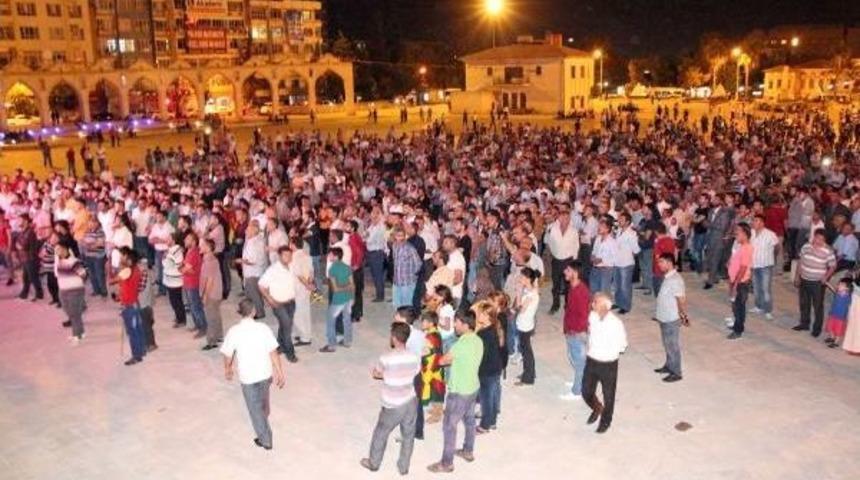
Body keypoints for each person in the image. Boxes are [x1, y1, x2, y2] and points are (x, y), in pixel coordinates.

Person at [220, 298, 285, 451]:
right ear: (254, 312)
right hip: (264, 374)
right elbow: (273, 352)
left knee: (255, 409)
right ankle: (263, 425)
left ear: (240, 313)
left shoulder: (234, 331)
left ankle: (266, 440)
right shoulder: (263, 328)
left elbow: (227, 354)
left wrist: (227, 368)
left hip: (248, 377)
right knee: (262, 404)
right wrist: (280, 372)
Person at [360, 322, 421, 475]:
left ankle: (374, 462)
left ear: (394, 338)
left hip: (393, 403)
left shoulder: (386, 358)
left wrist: (385, 375)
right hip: (411, 400)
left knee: (381, 432)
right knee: (408, 434)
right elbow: (415, 372)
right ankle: (403, 467)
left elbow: (376, 373)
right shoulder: (415, 356)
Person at [427, 310, 483, 474]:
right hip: (473, 387)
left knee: (449, 426)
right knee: (470, 420)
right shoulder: (477, 340)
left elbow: (444, 361)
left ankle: (446, 463)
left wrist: (434, 356)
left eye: (457, 323)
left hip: (459, 391)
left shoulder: (460, 344)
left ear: (465, 325)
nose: (454, 325)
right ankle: (468, 450)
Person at [582, 292, 628, 433]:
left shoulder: (616, 324)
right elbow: (590, 333)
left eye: (595, 302)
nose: (592, 304)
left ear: (604, 306)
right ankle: (597, 408)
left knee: (609, 395)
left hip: (608, 364)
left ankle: (606, 420)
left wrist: (608, 351)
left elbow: (623, 345)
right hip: (592, 360)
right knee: (586, 391)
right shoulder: (592, 316)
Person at [793, 229, 837, 338]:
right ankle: (804, 323)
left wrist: (826, 277)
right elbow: (800, 261)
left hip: (817, 282)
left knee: (817, 306)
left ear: (825, 240)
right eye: (817, 237)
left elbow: (833, 266)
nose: (818, 241)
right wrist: (797, 276)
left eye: (821, 239)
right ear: (814, 236)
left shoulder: (828, 250)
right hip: (804, 279)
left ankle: (816, 329)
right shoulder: (806, 246)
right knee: (804, 303)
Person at [259, 246, 299, 363]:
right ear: (280, 256)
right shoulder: (273, 269)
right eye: (285, 255)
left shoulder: (292, 266)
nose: (288, 257)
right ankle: (290, 352)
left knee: (285, 325)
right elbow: (261, 285)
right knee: (287, 328)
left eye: (290, 255)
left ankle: (279, 346)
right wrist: (269, 299)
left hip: (291, 302)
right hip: (278, 304)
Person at [654, 253, 689, 382]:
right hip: (664, 316)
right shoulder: (668, 277)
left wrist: (683, 315)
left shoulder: (675, 279)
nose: (659, 265)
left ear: (669, 263)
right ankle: (669, 365)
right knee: (667, 343)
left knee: (672, 345)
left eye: (661, 262)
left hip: (671, 318)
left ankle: (676, 372)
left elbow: (681, 299)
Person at [473, 300, 503, 433]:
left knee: (486, 398)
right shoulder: (494, 328)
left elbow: (480, 354)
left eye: (480, 313)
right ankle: (492, 421)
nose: (477, 315)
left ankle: (485, 425)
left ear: (486, 316)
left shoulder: (483, 334)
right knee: (494, 395)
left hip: (486, 370)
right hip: (496, 367)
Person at [561, 261, 589, 399]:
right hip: (571, 330)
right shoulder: (573, 287)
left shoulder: (581, 291)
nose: (564, 272)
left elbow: (584, 315)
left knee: (579, 362)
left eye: (568, 270)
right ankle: (579, 381)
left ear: (575, 273)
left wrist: (575, 331)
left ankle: (577, 391)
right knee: (574, 359)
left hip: (577, 332)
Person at [113, 247, 146, 366]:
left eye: (123, 256)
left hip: (129, 305)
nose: (121, 258)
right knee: (137, 329)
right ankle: (141, 351)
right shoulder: (135, 269)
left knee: (132, 332)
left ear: (129, 259)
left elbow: (112, 280)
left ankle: (136, 355)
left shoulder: (127, 271)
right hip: (133, 303)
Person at [545, 205, 579, 314]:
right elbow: (547, 241)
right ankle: (555, 305)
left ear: (569, 219)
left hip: (568, 261)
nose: (565, 220)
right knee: (555, 285)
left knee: (568, 286)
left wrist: (574, 264)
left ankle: (568, 305)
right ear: (558, 218)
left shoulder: (574, 231)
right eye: (562, 218)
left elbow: (576, 247)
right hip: (556, 260)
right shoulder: (552, 229)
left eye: (567, 218)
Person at [320, 247, 354, 352]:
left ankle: (331, 345)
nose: (328, 256)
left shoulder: (332, 269)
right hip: (348, 298)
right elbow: (352, 285)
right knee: (347, 319)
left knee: (330, 321)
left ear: (335, 256)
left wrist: (342, 287)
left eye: (330, 255)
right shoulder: (347, 267)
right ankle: (347, 341)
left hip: (338, 300)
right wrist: (351, 295)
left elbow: (336, 288)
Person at [55, 239, 87, 344]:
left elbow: (84, 274)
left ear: (65, 249)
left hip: (75, 291)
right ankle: (81, 332)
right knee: (70, 312)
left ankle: (76, 335)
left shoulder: (74, 261)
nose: (57, 252)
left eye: (58, 249)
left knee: (74, 314)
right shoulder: (59, 261)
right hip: (63, 290)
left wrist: (76, 284)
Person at [750, 214, 780, 320]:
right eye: (753, 220)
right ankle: (758, 306)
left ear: (762, 223)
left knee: (765, 288)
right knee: (756, 288)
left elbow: (777, 247)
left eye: (756, 221)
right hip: (754, 265)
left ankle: (767, 310)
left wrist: (772, 258)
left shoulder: (770, 234)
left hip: (765, 266)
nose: (753, 222)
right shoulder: (751, 233)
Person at [726, 223, 753, 340]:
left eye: (738, 231)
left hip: (741, 282)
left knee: (739, 306)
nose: (736, 233)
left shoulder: (747, 248)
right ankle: (737, 325)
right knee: (735, 305)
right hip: (735, 280)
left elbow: (743, 268)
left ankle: (738, 330)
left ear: (745, 234)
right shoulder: (740, 246)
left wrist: (735, 285)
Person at [514, 267, 540, 386]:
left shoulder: (530, 295)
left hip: (525, 325)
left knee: (526, 352)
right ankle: (529, 372)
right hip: (526, 324)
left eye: (522, 277)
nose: (519, 279)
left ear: (528, 279)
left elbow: (520, 309)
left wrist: (518, 293)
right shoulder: (531, 290)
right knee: (526, 350)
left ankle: (528, 377)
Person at [419, 310, 445, 425]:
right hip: (433, 365)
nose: (422, 323)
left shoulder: (431, 336)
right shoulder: (434, 333)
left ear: (430, 323)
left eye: (424, 321)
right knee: (434, 388)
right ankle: (435, 409)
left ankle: (437, 414)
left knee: (437, 389)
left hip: (433, 367)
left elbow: (425, 351)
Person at [239, 219, 267, 319]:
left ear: (254, 230)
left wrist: (240, 261)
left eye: (248, 229)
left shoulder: (253, 243)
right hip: (256, 272)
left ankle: (259, 312)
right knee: (254, 293)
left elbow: (252, 260)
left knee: (254, 295)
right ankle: (251, 310)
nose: (246, 231)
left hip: (252, 273)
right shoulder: (258, 239)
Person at [613, 212, 640, 314]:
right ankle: (619, 302)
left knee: (625, 286)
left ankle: (625, 306)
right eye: (619, 219)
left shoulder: (631, 234)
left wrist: (630, 254)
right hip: (617, 261)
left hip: (626, 263)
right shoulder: (619, 231)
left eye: (622, 219)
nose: (619, 220)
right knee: (617, 285)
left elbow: (636, 249)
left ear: (628, 222)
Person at [181, 232, 207, 337]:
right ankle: (198, 324)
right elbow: (186, 268)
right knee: (192, 306)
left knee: (196, 306)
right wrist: (184, 269)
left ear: (194, 242)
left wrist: (183, 269)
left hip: (193, 284)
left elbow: (188, 270)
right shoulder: (189, 251)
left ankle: (203, 327)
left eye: (188, 239)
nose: (185, 240)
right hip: (188, 283)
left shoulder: (193, 253)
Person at [200, 239, 224, 350]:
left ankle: (212, 340)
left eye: (203, 245)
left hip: (212, 293)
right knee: (215, 314)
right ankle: (219, 335)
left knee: (210, 317)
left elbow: (210, 280)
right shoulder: (208, 259)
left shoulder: (210, 260)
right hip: (216, 292)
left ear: (209, 248)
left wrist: (205, 295)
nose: (200, 246)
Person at [392, 227, 422, 309]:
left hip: (407, 282)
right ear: (395, 236)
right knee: (397, 304)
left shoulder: (410, 248)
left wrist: (412, 276)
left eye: (402, 236)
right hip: (396, 281)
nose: (400, 238)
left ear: (405, 236)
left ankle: (407, 321)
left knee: (407, 305)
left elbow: (418, 263)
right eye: (398, 236)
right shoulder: (394, 246)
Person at [162, 233, 186, 328]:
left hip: (175, 281)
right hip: (169, 280)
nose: (166, 240)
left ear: (174, 240)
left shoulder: (176, 251)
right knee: (173, 301)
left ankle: (181, 319)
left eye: (168, 238)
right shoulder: (170, 250)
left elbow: (179, 265)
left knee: (176, 301)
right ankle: (178, 316)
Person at [824, 278, 852, 348]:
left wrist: (849, 316)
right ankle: (832, 337)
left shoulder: (848, 297)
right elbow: (833, 289)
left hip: (841, 317)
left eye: (841, 285)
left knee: (838, 330)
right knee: (830, 326)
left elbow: (850, 306)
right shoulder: (837, 293)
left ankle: (836, 342)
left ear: (847, 288)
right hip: (832, 314)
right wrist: (827, 283)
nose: (839, 285)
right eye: (839, 284)